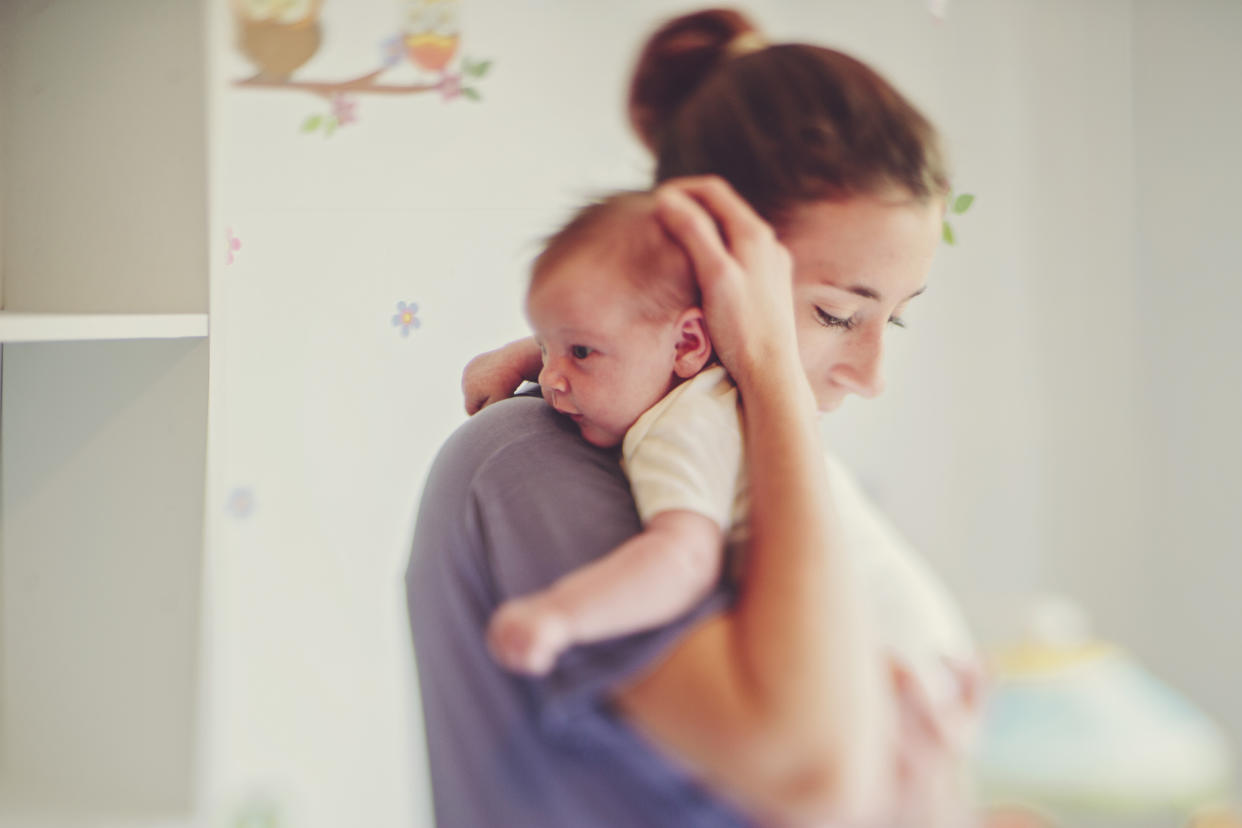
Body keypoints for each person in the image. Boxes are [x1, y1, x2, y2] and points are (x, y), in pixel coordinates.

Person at [407, 8, 981, 827]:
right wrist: (771, 368)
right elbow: (811, 780)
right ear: (712, 261)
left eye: (892, 318)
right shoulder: (536, 459)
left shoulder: (735, 444)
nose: (871, 375)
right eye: (832, 315)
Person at [483, 190, 976, 744]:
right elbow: (623, 328)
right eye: (549, 347)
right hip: (930, 653)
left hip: (892, 681)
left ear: (691, 340)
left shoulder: (681, 423)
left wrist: (561, 616)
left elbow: (683, 558)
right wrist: (533, 354)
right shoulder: (710, 377)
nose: (551, 379)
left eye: (580, 353)